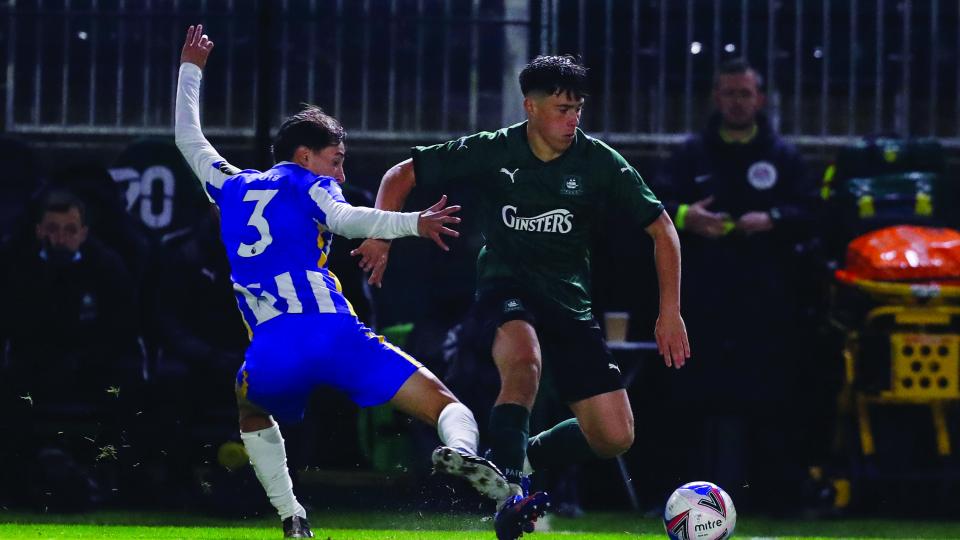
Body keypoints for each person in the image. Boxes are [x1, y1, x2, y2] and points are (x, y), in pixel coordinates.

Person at [175, 25, 509, 539]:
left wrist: (190, 69)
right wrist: (412, 223)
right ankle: (463, 453)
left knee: (249, 407)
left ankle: (292, 516)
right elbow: (349, 219)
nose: (339, 167)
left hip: (272, 348)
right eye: (336, 158)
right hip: (333, 332)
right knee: (445, 403)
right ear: (304, 156)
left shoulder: (230, 184)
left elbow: (187, 138)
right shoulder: (310, 183)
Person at [353, 54, 689, 540]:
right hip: (505, 287)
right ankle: (510, 490)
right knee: (524, 362)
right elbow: (399, 175)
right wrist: (381, 234)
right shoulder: (495, 150)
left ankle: (518, 453)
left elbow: (663, 231)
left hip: (570, 302)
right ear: (530, 107)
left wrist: (670, 311)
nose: (573, 119)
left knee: (615, 436)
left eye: (578, 108)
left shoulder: (598, 162)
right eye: (562, 109)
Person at [654, 58, 813, 511]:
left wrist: (773, 218)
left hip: (766, 303)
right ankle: (682, 498)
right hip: (701, 299)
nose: (738, 101)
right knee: (692, 399)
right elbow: (654, 205)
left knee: (768, 401)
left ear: (760, 99)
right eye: (730, 93)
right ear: (716, 98)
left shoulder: (783, 156)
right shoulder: (691, 155)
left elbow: (811, 213)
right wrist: (689, 217)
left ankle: (773, 500)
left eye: (746, 93)